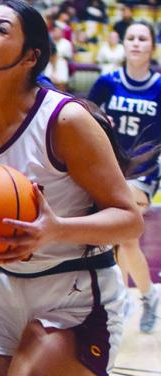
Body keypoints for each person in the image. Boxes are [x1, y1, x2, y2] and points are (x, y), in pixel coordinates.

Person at [0, 1, 146, 376]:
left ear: (30, 56)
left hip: (75, 300)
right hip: (5, 298)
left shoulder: (64, 122)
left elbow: (130, 219)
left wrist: (57, 229)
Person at [88, 21, 161, 334]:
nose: (135, 43)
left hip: (144, 171)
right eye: (130, 38)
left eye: (142, 38)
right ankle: (147, 296)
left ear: (151, 47)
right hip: (110, 166)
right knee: (110, 241)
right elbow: (83, 115)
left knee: (126, 236)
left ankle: (125, 299)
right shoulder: (107, 82)